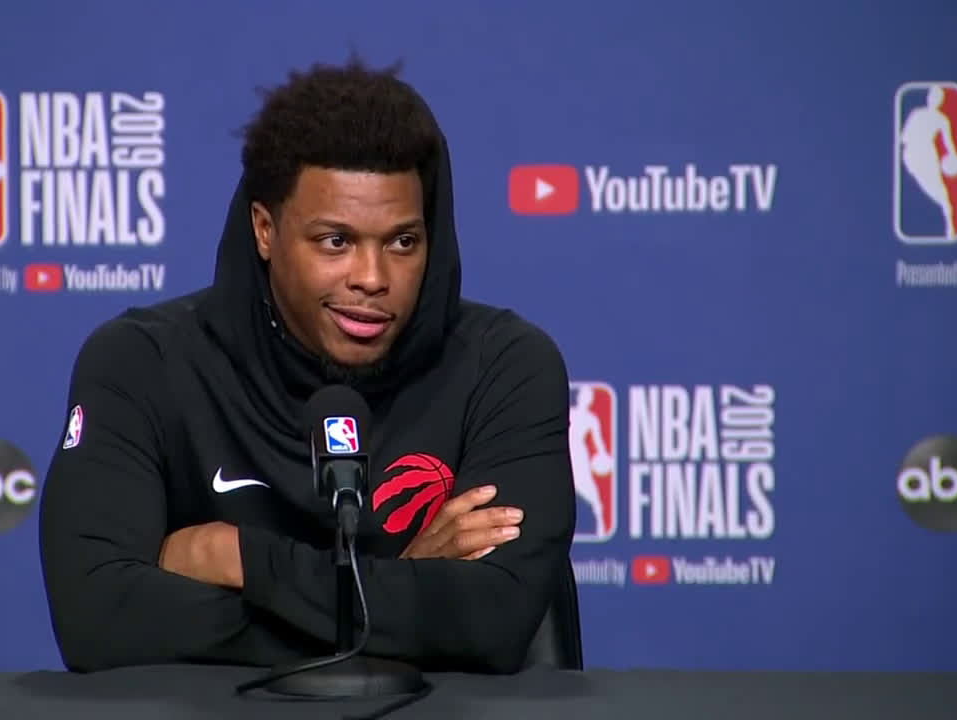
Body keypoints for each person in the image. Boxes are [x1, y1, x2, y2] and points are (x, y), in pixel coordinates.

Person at [38, 57, 577, 676]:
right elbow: (97, 616)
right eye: (335, 241)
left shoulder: (505, 367)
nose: (372, 278)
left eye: (402, 242)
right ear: (265, 230)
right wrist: (398, 593)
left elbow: (495, 619)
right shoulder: (141, 362)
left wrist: (237, 558)